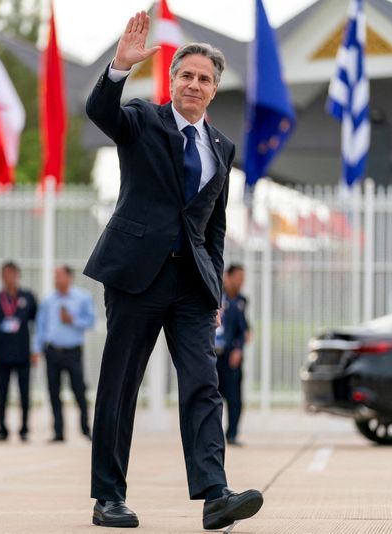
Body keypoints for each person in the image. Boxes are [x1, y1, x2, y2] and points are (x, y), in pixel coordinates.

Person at [84, 12, 263, 530]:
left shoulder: (221, 149)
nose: (194, 84)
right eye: (187, 75)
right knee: (121, 386)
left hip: (192, 290)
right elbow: (101, 112)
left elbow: (213, 228)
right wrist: (118, 67)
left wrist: (215, 293)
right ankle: (108, 496)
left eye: (205, 78)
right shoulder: (142, 118)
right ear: (172, 80)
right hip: (136, 277)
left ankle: (214, 494)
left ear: (214, 89)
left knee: (204, 386)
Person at [33, 265, 95, 443]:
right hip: (52, 351)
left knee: (79, 391)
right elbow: (40, 326)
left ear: (69, 277)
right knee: (53, 392)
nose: (56, 279)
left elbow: (90, 320)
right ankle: (58, 432)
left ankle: (85, 429)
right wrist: (37, 348)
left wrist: (73, 320)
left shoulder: (82, 297)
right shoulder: (48, 300)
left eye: (59, 275)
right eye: (55, 275)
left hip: (73, 351)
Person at [0, 261, 38, 442]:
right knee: (2, 394)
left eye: (12, 274)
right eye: (5, 274)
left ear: (18, 275)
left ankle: (24, 428)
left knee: (25, 394)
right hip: (2, 354)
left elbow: (36, 324)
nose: (8, 277)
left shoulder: (28, 297)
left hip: (23, 353)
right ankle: (2, 429)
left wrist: (36, 350)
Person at [215, 264, 250, 447]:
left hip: (230, 355)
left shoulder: (240, 301)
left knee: (234, 397)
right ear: (226, 277)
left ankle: (232, 434)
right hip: (212, 355)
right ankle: (212, 435)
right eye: (237, 277)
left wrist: (239, 349)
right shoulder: (214, 296)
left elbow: (243, 330)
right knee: (212, 397)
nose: (240, 282)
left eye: (242, 278)